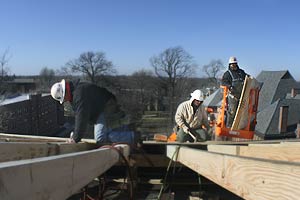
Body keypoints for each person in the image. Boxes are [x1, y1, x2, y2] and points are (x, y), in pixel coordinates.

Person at [50, 79, 125, 143]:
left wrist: (75, 138)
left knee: (100, 138)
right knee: (101, 134)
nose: (65, 100)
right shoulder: (75, 92)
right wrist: (76, 134)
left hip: (106, 106)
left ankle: (133, 137)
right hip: (99, 110)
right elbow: (79, 116)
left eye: (64, 98)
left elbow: (81, 116)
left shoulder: (79, 94)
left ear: (65, 92)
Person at [222, 56, 248, 127]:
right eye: (232, 64)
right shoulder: (227, 74)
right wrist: (229, 86)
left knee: (242, 113)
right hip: (233, 97)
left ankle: (239, 126)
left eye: (234, 63)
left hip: (242, 96)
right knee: (232, 112)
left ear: (236, 64)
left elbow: (247, 78)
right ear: (229, 64)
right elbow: (223, 82)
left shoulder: (241, 72)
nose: (233, 65)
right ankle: (229, 126)